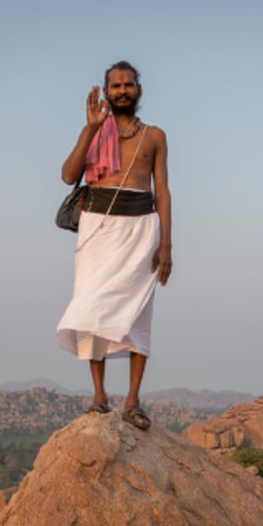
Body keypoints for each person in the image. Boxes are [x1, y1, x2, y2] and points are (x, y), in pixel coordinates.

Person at [56, 60, 172, 431]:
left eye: (128, 85)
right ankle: (99, 397)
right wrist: (91, 129)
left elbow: (162, 190)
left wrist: (166, 243)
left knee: (138, 313)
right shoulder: (93, 130)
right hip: (98, 227)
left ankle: (133, 402)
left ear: (139, 89)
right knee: (91, 310)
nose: (122, 91)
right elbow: (68, 176)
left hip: (141, 229)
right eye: (116, 86)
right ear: (106, 92)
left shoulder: (154, 136)